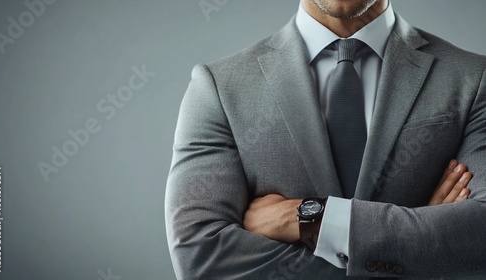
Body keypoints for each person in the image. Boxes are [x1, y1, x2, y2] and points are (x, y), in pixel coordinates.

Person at [165, 0, 486, 279]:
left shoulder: (473, 79)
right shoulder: (219, 88)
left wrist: (311, 217)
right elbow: (200, 256)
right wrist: (420, 253)